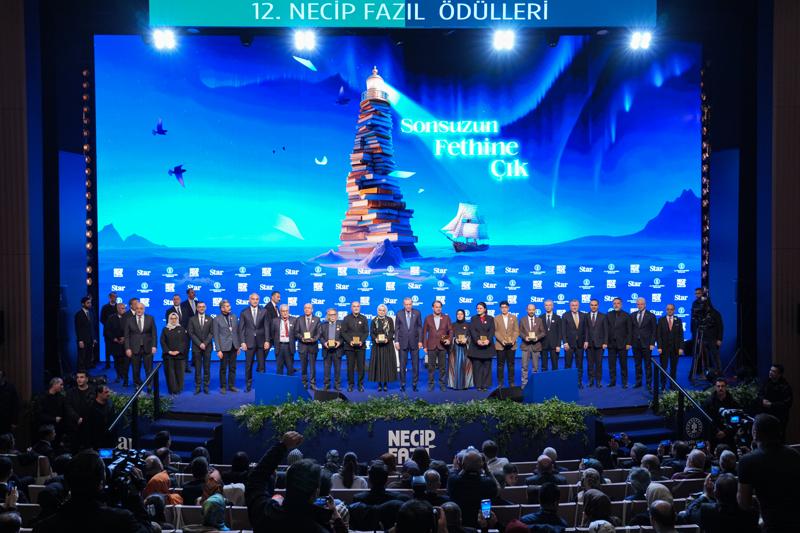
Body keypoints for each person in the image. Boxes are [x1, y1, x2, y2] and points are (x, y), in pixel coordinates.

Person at [246, 431, 348, 533]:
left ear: (288, 484)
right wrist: (337, 519)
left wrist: (282, 446)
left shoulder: (265, 515)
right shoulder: (320, 529)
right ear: (316, 493)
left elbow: (255, 480)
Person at [32, 450, 155, 533]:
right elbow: (147, 529)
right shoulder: (121, 520)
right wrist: (134, 496)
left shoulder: (44, 527)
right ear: (101, 484)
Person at [737, 413, 800, 532]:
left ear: (755, 433)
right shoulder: (795, 454)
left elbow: (744, 503)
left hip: (773, 525)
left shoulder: (747, 461)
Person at [687, 473, 759, 533]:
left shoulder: (706, 510)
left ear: (715, 493)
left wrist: (706, 495)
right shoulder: (751, 509)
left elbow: (689, 512)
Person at [446, 450, 498, 528]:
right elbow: (497, 491)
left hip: (459, 525)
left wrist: (458, 467)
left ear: (462, 465)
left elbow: (449, 489)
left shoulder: (453, 480)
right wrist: (487, 471)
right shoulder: (488, 482)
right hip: (481, 524)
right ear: (482, 466)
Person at [124, 302, 158, 392]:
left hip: (148, 347)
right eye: (137, 308)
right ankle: (137, 384)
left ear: (144, 309)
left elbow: (154, 334)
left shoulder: (150, 318)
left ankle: (149, 385)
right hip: (134, 348)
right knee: (135, 369)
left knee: (149, 368)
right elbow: (126, 336)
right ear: (135, 309)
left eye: (141, 308)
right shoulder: (129, 320)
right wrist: (127, 348)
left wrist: (154, 346)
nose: (139, 310)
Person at [239, 293, 268, 392]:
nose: (255, 301)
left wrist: (267, 340)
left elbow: (266, 327)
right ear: (249, 300)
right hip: (249, 343)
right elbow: (241, 329)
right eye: (253, 299)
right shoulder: (244, 312)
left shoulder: (264, 311)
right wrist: (242, 342)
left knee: (262, 365)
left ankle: (262, 385)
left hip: (261, 342)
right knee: (248, 365)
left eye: (257, 299)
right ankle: (248, 384)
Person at [423, 301, 453, 392]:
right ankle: (431, 384)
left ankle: (442, 384)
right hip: (431, 346)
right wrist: (425, 346)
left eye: (439, 307)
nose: (438, 308)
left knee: (442, 367)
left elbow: (450, 330)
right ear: (433, 308)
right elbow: (424, 333)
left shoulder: (446, 318)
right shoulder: (428, 318)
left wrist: (449, 339)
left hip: (442, 346)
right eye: (436, 307)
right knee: (431, 367)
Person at [395, 297, 424, 392]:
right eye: (406, 304)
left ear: (412, 304)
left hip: (414, 342)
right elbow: (397, 328)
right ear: (403, 305)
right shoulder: (399, 313)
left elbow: (420, 327)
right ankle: (402, 384)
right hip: (402, 342)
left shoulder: (417, 313)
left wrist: (420, 341)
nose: (408, 306)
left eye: (409, 304)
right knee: (402, 365)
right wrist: (396, 341)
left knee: (415, 365)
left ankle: (415, 384)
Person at [212, 299, 240, 393]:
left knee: (233, 367)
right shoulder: (217, 319)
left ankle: (231, 385)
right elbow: (216, 335)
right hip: (223, 348)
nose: (229, 307)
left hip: (234, 346)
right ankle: (223, 386)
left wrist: (238, 346)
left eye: (229, 305)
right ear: (222, 308)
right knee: (223, 368)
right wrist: (218, 350)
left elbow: (236, 332)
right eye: (227, 306)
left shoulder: (234, 317)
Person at [757, 363, 793, 437]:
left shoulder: (785, 387)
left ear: (779, 375)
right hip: (766, 415)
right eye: (770, 370)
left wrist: (771, 405)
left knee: (778, 437)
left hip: (779, 417)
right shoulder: (766, 382)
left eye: (773, 371)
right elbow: (760, 394)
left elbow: (787, 403)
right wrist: (762, 400)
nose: (770, 372)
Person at [655, 304, 685, 391]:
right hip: (664, 348)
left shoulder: (678, 320)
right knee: (663, 368)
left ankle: (672, 385)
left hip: (675, 348)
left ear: (674, 310)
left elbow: (681, 335)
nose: (670, 311)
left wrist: (681, 348)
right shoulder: (661, 320)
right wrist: (659, 347)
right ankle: (663, 385)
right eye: (668, 309)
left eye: (671, 309)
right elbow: (658, 335)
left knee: (673, 368)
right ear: (666, 310)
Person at [703, 378, 739, 450]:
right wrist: (715, 432)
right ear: (715, 387)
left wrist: (725, 432)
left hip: (729, 435)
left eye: (722, 386)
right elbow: (706, 420)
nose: (720, 388)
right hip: (714, 436)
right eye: (718, 386)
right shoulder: (709, 402)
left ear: (726, 387)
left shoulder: (733, 402)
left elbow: (736, 419)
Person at [341, 302, 369, 392]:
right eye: (354, 306)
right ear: (351, 308)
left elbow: (366, 332)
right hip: (349, 347)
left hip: (361, 346)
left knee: (361, 366)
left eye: (357, 306)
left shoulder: (364, 318)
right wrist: (350, 341)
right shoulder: (346, 318)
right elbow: (343, 332)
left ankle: (360, 384)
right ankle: (351, 384)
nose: (356, 308)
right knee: (350, 366)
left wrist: (362, 341)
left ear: (360, 307)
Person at [187, 301, 213, 394]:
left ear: (205, 308)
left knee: (207, 368)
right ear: (197, 308)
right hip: (196, 347)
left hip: (207, 347)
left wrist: (204, 343)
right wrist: (199, 344)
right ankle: (198, 386)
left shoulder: (210, 319)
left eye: (203, 306)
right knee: (197, 368)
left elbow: (211, 333)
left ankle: (206, 386)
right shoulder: (192, 319)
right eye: (199, 307)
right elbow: (191, 333)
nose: (201, 308)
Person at [369, 304, 397, 392]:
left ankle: (385, 383)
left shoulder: (389, 320)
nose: (381, 312)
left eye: (383, 310)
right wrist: (375, 339)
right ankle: (379, 384)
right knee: (378, 364)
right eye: (380, 310)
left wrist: (387, 339)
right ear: (377, 311)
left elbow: (392, 331)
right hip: (377, 346)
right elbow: (371, 333)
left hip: (387, 345)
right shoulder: (374, 320)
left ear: (386, 311)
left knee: (386, 364)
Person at [631, 297, 657, 390]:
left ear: (645, 304)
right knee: (637, 364)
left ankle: (649, 383)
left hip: (647, 344)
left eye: (641, 304)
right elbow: (631, 330)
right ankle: (638, 382)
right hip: (635, 344)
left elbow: (654, 331)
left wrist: (652, 343)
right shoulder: (633, 315)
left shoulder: (651, 315)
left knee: (647, 365)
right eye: (638, 304)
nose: (640, 306)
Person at [468, 302, 495, 392]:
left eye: (480, 308)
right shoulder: (473, 318)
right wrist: (477, 340)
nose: (478, 310)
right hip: (476, 347)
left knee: (487, 366)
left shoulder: (490, 318)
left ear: (485, 309)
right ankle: (478, 385)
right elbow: (472, 330)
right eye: (477, 308)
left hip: (487, 346)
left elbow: (492, 330)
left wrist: (488, 340)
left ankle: (485, 385)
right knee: (477, 367)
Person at [606, 297, 632, 388]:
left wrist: (629, 343)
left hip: (623, 344)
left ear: (621, 304)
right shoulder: (608, 315)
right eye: (614, 303)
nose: (616, 305)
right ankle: (612, 381)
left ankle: (624, 382)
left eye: (618, 303)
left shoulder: (627, 315)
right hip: (611, 344)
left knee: (623, 364)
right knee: (611, 364)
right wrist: (606, 342)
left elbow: (629, 331)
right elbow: (606, 330)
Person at [160, 312, 188, 395]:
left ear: (177, 319)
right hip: (168, 356)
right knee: (170, 374)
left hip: (180, 355)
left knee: (180, 373)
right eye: (172, 318)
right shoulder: (165, 329)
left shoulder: (181, 329)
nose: (173, 320)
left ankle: (178, 389)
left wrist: (178, 351)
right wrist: (169, 351)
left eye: (175, 318)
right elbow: (162, 342)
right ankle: (172, 390)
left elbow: (184, 342)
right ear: (169, 319)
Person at [518, 303, 545, 387]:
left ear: (535, 310)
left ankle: (535, 384)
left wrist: (537, 337)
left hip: (536, 346)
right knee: (524, 366)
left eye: (533, 310)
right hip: (525, 346)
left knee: (535, 367)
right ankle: (524, 383)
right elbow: (519, 332)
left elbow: (543, 332)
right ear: (527, 310)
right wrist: (525, 337)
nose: (531, 311)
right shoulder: (522, 320)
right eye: (530, 310)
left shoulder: (539, 320)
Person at [295, 303, 321, 390]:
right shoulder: (299, 319)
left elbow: (319, 333)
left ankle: (313, 383)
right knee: (303, 366)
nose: (307, 309)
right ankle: (304, 383)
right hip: (302, 346)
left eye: (309, 308)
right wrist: (301, 338)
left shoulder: (317, 319)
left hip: (313, 346)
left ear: (312, 309)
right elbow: (296, 332)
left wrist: (314, 339)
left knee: (312, 366)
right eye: (305, 308)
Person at [562, 299, 588, 388]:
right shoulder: (565, 315)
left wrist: (586, 340)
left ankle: (579, 382)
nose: (574, 307)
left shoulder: (583, 315)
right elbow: (563, 330)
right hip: (569, 345)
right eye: (572, 305)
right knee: (568, 364)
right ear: (570, 306)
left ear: (578, 306)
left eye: (576, 305)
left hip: (580, 344)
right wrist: (565, 342)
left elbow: (586, 330)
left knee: (579, 364)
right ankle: (568, 383)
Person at [65, 370, 95, 445]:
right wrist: (77, 418)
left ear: (87, 379)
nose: (79, 379)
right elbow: (68, 406)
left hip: (90, 425)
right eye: (77, 377)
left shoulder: (93, 391)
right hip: (75, 425)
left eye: (81, 377)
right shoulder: (71, 392)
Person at [493, 301, 519, 387]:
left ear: (508, 308)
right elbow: (495, 331)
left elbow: (516, 331)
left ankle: (511, 382)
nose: (504, 309)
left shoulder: (514, 317)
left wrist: (513, 340)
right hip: (500, 345)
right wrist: (501, 340)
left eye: (505, 307)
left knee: (511, 364)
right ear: (500, 308)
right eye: (502, 307)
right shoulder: (496, 318)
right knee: (500, 365)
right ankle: (500, 383)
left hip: (512, 345)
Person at [585, 299, 608, 389]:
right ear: (590, 306)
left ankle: (598, 381)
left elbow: (606, 330)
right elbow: (585, 330)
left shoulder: (603, 316)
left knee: (599, 364)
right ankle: (591, 380)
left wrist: (605, 342)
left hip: (600, 344)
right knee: (590, 364)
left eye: (595, 305)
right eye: (592, 305)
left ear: (598, 306)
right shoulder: (586, 316)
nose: (593, 306)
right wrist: (586, 341)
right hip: (589, 344)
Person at [269, 304, 297, 377]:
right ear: (280, 312)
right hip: (279, 346)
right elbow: (272, 334)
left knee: (290, 367)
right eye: (283, 311)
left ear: (289, 311)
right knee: (279, 368)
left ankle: (290, 383)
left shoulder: (294, 320)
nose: (285, 313)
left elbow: (296, 334)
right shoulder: (275, 321)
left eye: (286, 311)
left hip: (289, 346)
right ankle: (280, 383)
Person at [319, 308, 344, 391]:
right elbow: (320, 337)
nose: (332, 316)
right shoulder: (323, 325)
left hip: (337, 350)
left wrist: (339, 342)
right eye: (330, 315)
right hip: (326, 350)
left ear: (336, 315)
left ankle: (337, 385)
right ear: (328, 316)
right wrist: (324, 343)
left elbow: (344, 336)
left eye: (334, 314)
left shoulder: (341, 324)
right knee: (326, 369)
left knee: (337, 369)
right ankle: (327, 385)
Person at [103, 302, 128, 384]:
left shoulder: (128, 318)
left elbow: (130, 330)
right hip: (115, 343)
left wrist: (125, 338)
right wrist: (114, 339)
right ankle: (118, 375)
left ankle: (124, 375)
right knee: (117, 360)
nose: (124, 310)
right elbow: (107, 330)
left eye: (125, 308)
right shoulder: (111, 318)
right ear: (118, 309)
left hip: (125, 343)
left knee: (125, 361)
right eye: (122, 308)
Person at [449, 310, 474, 390]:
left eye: (461, 314)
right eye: (458, 314)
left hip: (466, 349)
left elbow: (472, 336)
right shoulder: (452, 325)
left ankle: (466, 385)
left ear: (464, 315)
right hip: (455, 349)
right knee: (455, 366)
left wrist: (467, 340)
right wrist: (454, 340)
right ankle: (454, 385)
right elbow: (449, 336)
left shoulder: (469, 325)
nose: (459, 315)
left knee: (466, 366)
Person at [74, 296, 97, 371]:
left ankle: (86, 374)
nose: (90, 304)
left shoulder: (91, 313)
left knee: (88, 357)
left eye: (90, 303)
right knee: (82, 358)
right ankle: (80, 374)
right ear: (83, 304)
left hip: (90, 339)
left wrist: (94, 338)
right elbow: (78, 328)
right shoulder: (79, 314)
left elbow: (92, 327)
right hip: (83, 340)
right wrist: (80, 340)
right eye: (88, 303)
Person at [540, 299, 563, 371]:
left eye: (550, 305)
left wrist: (558, 345)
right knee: (544, 365)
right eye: (546, 305)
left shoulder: (557, 317)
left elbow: (560, 332)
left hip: (554, 345)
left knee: (555, 365)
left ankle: (554, 378)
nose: (548, 307)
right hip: (543, 345)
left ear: (552, 306)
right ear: (544, 306)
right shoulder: (540, 318)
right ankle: (544, 378)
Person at [180, 288, 198, 374]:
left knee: (197, 348)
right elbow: (182, 318)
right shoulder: (183, 304)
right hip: (186, 330)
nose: (193, 294)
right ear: (188, 294)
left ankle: (195, 363)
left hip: (197, 330)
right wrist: (184, 329)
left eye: (194, 292)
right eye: (192, 293)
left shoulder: (198, 303)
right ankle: (185, 366)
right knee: (186, 349)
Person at [264, 290, 281, 366]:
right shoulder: (268, 307)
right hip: (270, 336)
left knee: (281, 352)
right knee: (265, 353)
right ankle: (260, 368)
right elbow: (268, 323)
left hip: (276, 335)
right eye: (278, 297)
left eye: (279, 297)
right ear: (272, 297)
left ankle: (288, 367)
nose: (279, 299)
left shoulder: (276, 307)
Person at [0, 372, 19, 436]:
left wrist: (14, 422)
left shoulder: (11, 388)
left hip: (7, 420)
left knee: (7, 438)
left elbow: (15, 405)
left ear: (3, 378)